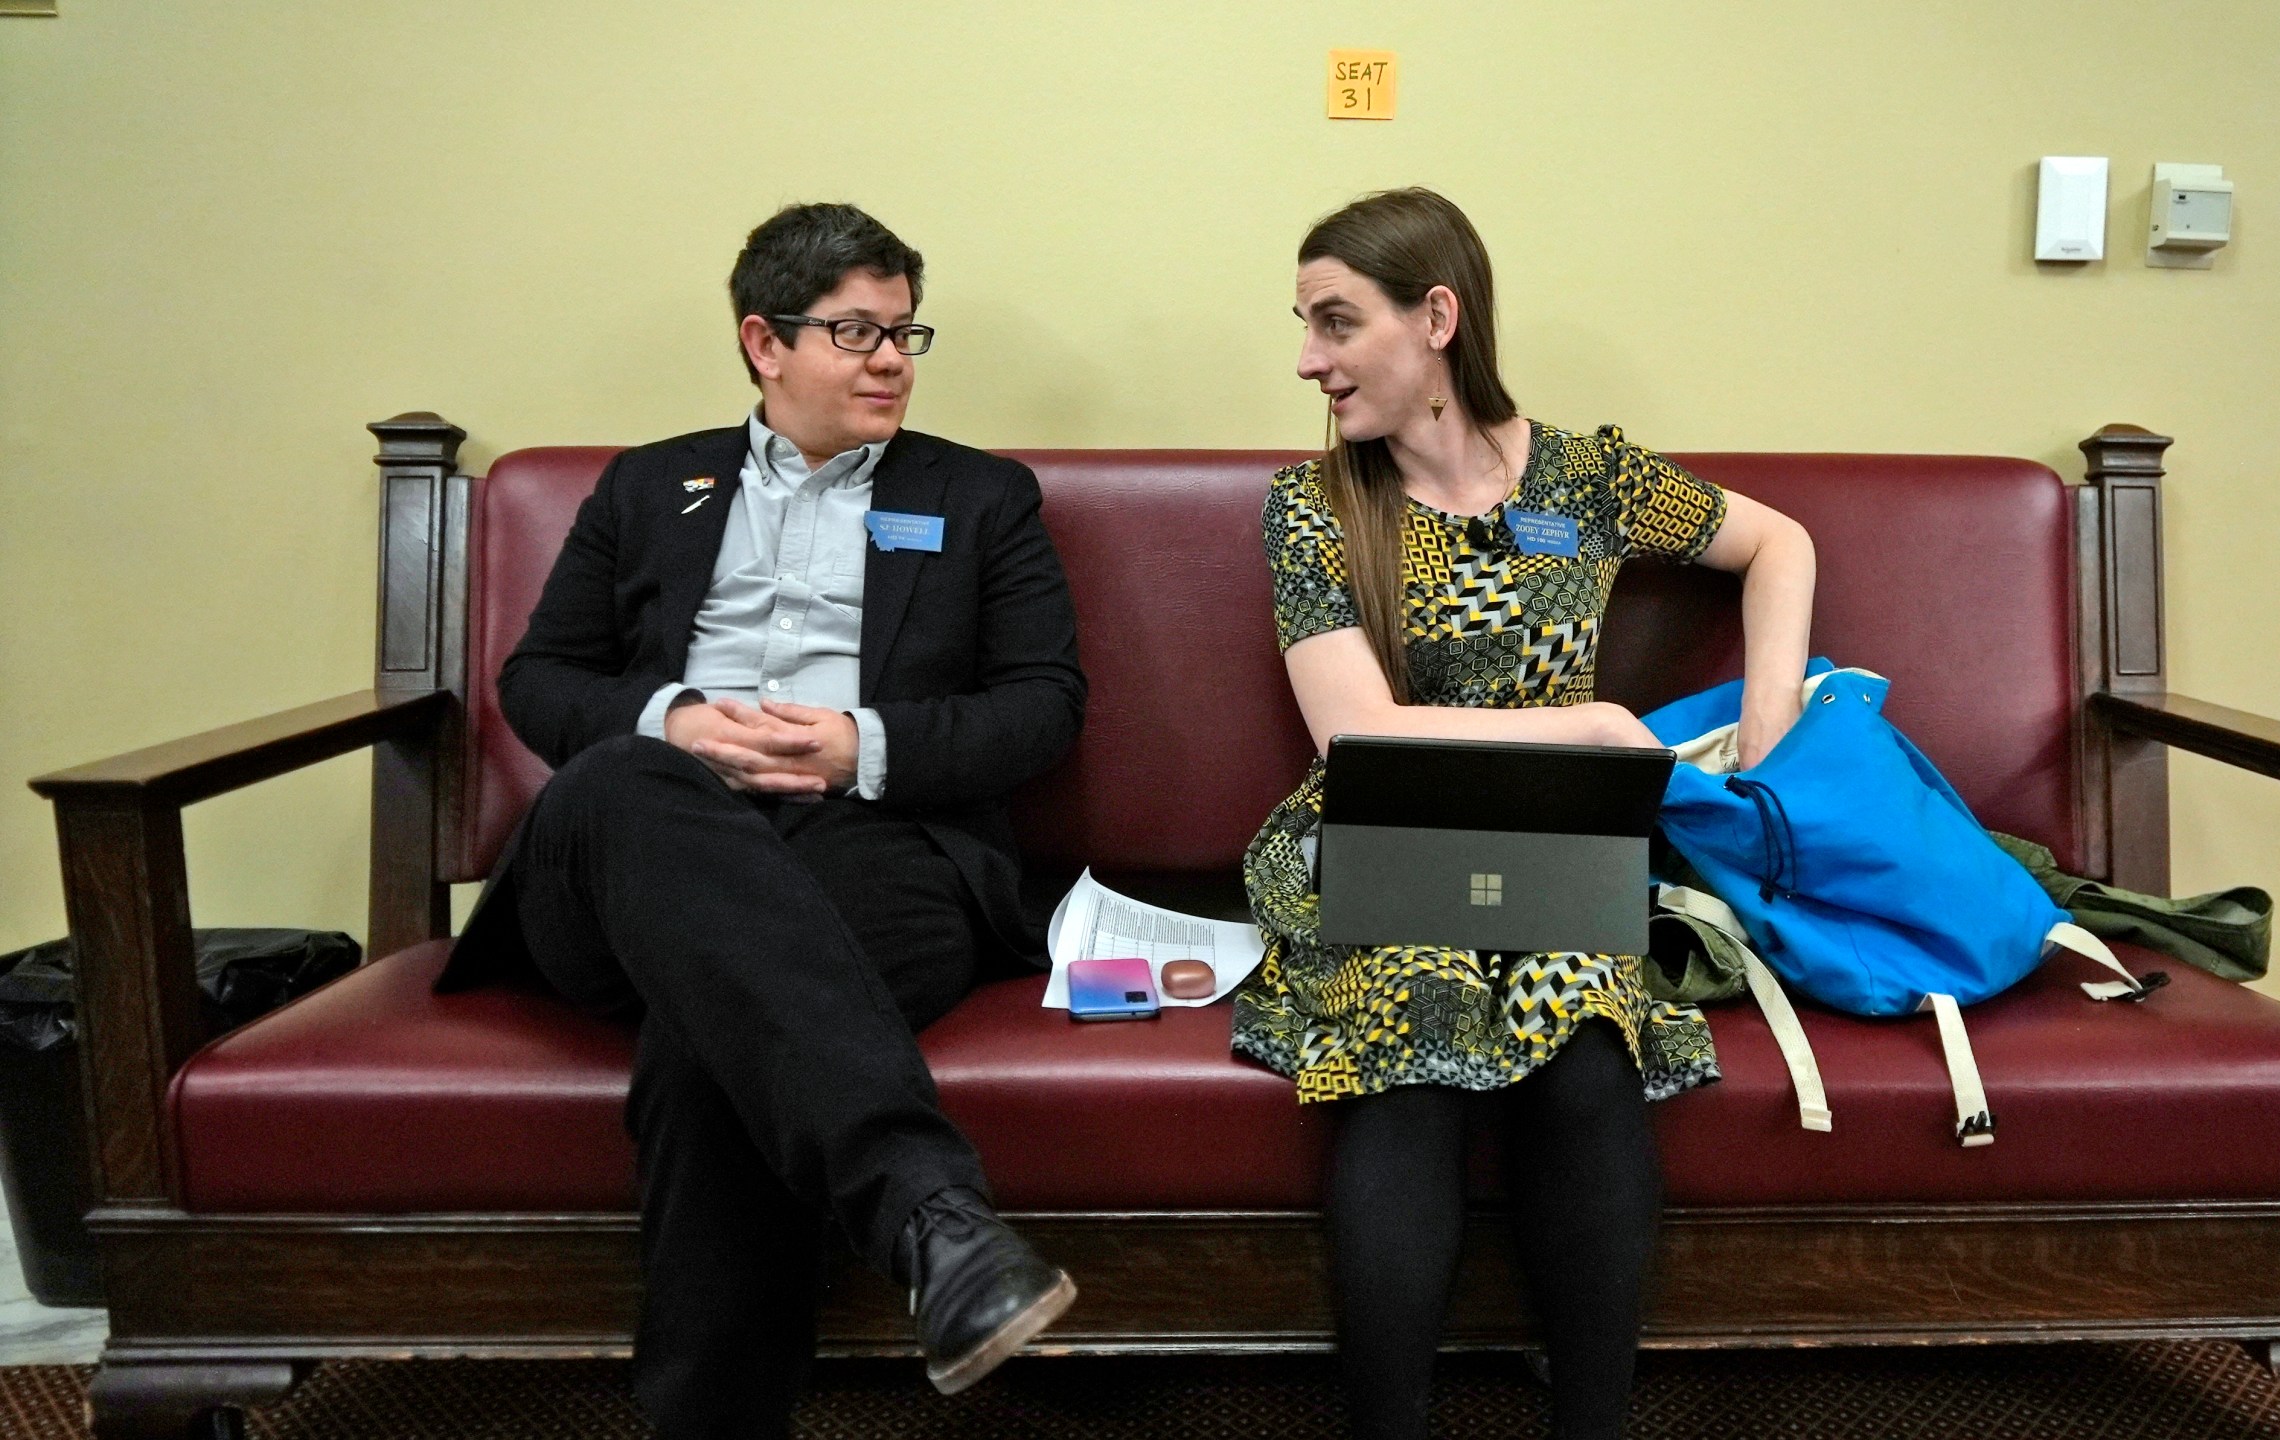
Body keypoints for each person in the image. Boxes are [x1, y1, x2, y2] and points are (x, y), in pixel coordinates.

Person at [441, 201, 1086, 1436]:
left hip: (875, 845)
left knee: (712, 1039)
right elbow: (540, 680)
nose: (891, 359)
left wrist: (867, 745)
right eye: (855, 332)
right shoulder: (644, 488)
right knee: (631, 776)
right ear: (762, 341)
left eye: (905, 332)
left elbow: (1045, 706)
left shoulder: (983, 497)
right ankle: (932, 1213)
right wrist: (674, 721)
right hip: (637, 856)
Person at [1230, 188, 1818, 1440]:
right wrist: (1597, 730)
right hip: (1381, 831)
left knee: (1585, 1037)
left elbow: (1780, 545)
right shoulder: (1311, 506)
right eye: (1302, 324)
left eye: (1336, 322)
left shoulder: (1589, 476)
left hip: (1555, 841)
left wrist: (1772, 720)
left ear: (1436, 317)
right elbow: (1356, 734)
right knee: (1416, 1027)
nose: (1306, 358)